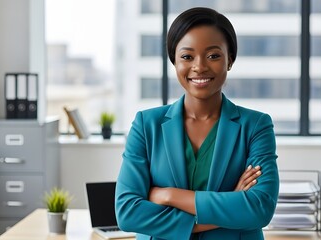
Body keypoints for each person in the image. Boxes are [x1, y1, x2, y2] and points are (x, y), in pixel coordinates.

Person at [115, 7, 279, 240]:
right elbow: (128, 213)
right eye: (187, 56)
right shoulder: (146, 125)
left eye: (213, 55)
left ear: (230, 60)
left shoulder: (256, 126)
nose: (199, 66)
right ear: (174, 61)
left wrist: (170, 195)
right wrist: (230, 206)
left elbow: (260, 207)